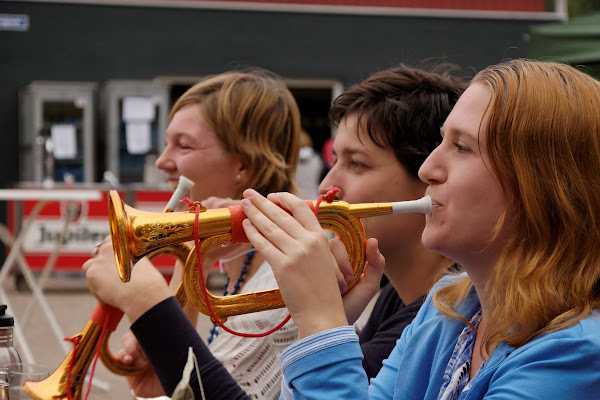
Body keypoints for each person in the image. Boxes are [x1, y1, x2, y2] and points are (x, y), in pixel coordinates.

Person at [240, 59, 600, 399]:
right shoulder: (451, 307)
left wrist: (321, 322)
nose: (428, 168)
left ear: (540, 185)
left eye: (461, 147)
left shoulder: (578, 353)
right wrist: (321, 323)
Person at [85, 69, 301, 399]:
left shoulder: (282, 281)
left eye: (183, 146)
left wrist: (146, 300)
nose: (161, 162)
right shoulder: (234, 267)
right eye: (165, 144)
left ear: (244, 166)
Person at [321, 65, 464, 378]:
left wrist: (317, 314)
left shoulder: (443, 315)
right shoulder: (392, 297)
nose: (327, 187)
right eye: (335, 162)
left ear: (429, 179)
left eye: (356, 164)